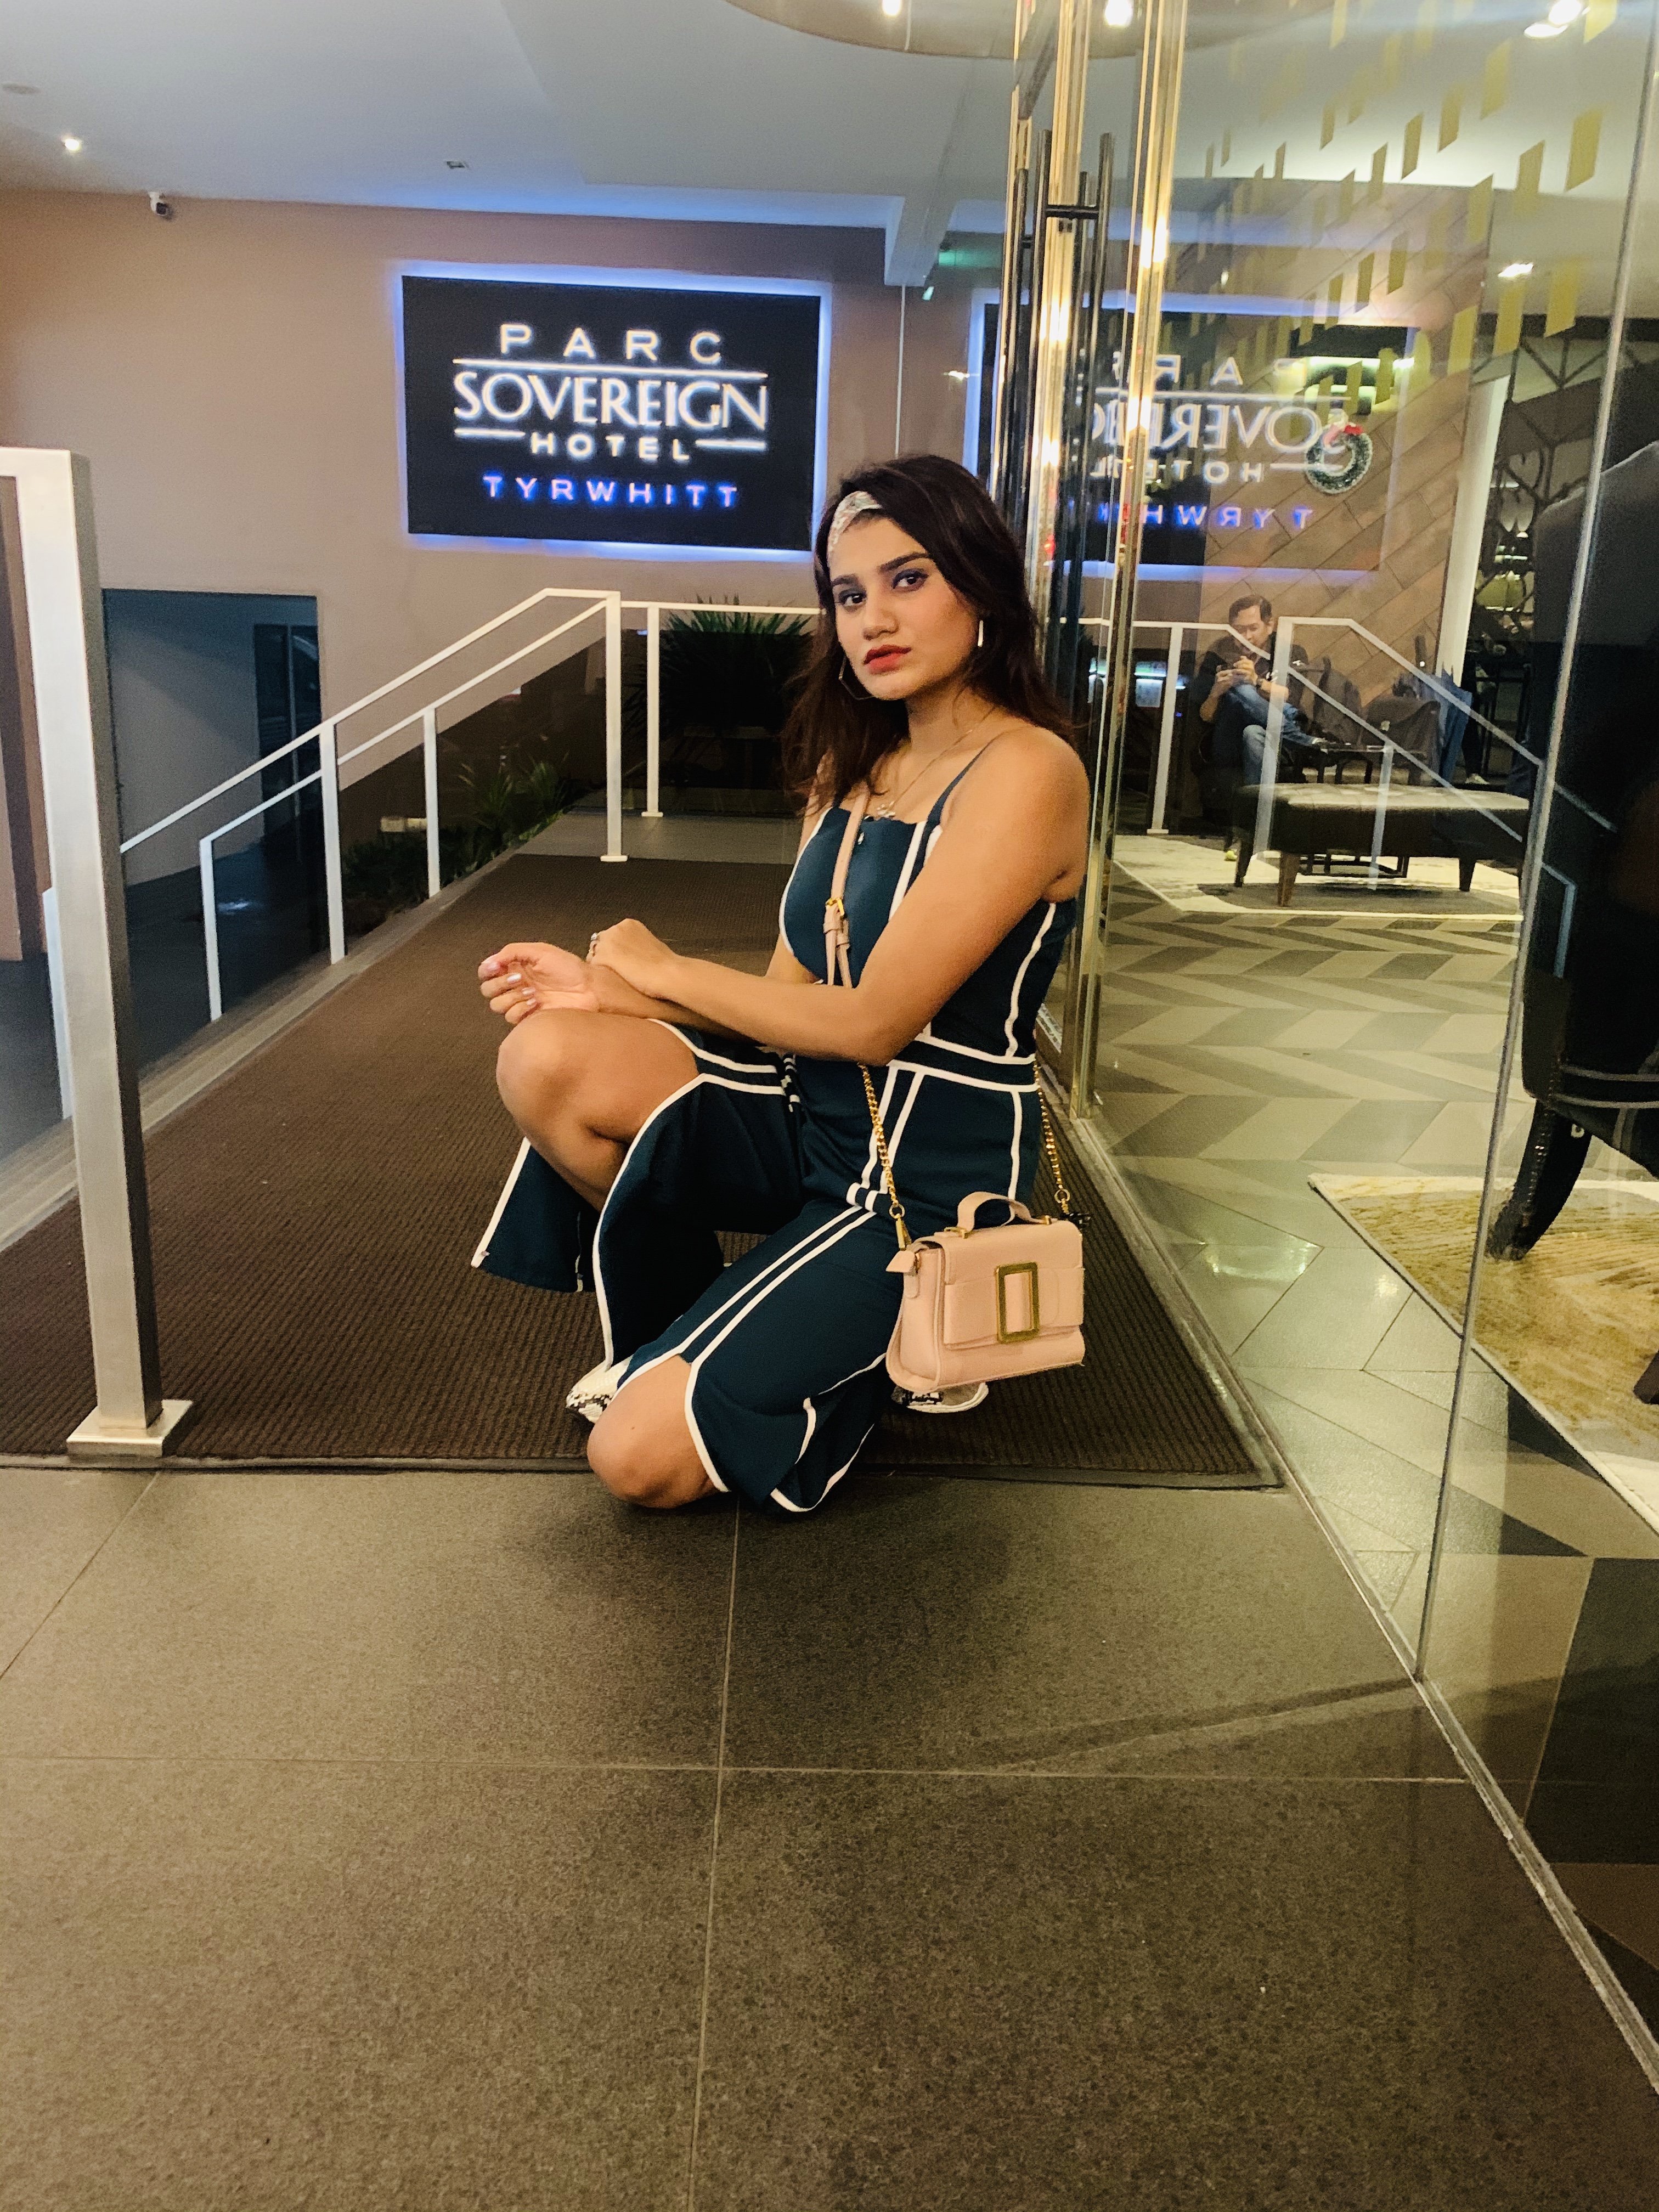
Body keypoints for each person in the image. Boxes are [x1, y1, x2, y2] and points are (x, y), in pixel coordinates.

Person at [471, 455, 1089, 1517]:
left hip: (921, 1178)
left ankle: (864, 1356)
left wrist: (663, 967)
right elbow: (784, 998)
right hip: (810, 1113)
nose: (872, 620)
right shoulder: (853, 770)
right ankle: (708, 1328)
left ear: (980, 586)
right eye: (848, 595)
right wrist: (611, 995)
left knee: (633, 1457)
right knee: (543, 1058)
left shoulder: (1029, 770)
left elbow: (875, 1020)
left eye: (907, 580)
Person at [1189, 593, 1302, 844]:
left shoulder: (1287, 652)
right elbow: (1205, 716)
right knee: (1238, 689)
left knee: (1253, 733)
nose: (1246, 637)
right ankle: (1301, 740)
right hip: (1228, 738)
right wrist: (1216, 693)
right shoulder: (1218, 654)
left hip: (1272, 740)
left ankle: (1252, 830)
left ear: (1270, 626)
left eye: (1253, 628)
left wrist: (1257, 682)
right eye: (1239, 630)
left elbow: (1292, 697)